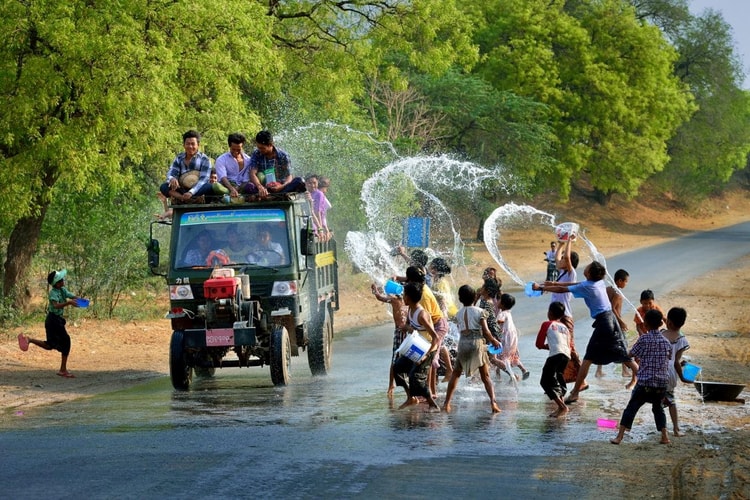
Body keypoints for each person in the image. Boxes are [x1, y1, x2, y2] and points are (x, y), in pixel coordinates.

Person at [535, 261, 638, 404]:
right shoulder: (598, 282)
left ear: (589, 273)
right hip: (610, 321)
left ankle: (576, 392)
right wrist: (551, 284)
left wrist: (541, 287)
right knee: (623, 355)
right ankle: (649, 381)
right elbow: (571, 285)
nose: (586, 267)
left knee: (588, 359)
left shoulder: (588, 286)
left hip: (604, 322)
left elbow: (564, 289)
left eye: (588, 267)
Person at [610, 309, 673, 445]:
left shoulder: (644, 339)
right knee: (658, 409)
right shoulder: (666, 342)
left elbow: (631, 354)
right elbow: (669, 358)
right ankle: (665, 436)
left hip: (645, 383)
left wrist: (620, 353)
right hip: (661, 384)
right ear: (661, 323)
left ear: (646, 324)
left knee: (631, 407)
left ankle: (619, 437)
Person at [442, 285, 502, 413]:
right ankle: (493, 403)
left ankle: (446, 404)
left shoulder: (458, 313)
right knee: (485, 376)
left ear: (460, 299)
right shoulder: (480, 312)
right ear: (475, 297)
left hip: (463, 343)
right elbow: (485, 331)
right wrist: (494, 340)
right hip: (476, 343)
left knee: (456, 374)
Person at [17, 270, 85, 378]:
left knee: (50, 345)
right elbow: (56, 305)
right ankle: (63, 370)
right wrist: (69, 303)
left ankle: (29, 339)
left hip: (55, 320)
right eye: (61, 279)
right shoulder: (53, 293)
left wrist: (81, 301)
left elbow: (72, 296)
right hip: (53, 320)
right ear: (57, 283)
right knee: (66, 341)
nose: (63, 280)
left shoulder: (62, 290)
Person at [391, 282, 440, 410]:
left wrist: (425, 356)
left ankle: (432, 404)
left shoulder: (422, 314)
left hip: (428, 350)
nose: (403, 297)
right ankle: (411, 398)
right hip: (416, 347)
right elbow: (409, 326)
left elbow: (436, 337)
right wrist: (406, 328)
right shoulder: (410, 311)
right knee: (397, 367)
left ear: (409, 298)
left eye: (404, 295)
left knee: (415, 376)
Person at [549, 238, 584, 389]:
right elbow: (557, 259)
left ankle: (582, 380)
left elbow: (568, 258)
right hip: (557, 315)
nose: (561, 260)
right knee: (557, 347)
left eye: (564, 259)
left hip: (565, 316)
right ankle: (558, 379)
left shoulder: (571, 274)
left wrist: (569, 240)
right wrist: (561, 244)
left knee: (570, 348)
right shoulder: (562, 273)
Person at [535, 301, 572, 418]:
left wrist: (549, 346)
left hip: (556, 354)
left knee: (545, 381)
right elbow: (568, 344)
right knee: (557, 380)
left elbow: (539, 344)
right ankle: (560, 407)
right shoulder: (565, 327)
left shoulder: (547, 324)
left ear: (550, 313)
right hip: (566, 355)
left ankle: (562, 407)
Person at [371, 282, 408, 397]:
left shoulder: (394, 300)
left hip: (400, 332)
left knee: (394, 359)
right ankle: (397, 383)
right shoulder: (404, 300)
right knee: (406, 358)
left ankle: (392, 384)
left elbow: (379, 297)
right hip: (407, 332)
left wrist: (375, 290)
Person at [597, 269, 633, 383]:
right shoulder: (618, 294)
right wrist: (621, 322)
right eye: (626, 281)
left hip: (605, 321)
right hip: (615, 322)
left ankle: (599, 370)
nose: (626, 284)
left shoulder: (607, 289)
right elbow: (613, 309)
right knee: (623, 345)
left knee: (602, 345)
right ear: (619, 281)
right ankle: (624, 370)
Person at [159, 130, 214, 203]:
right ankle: (182, 198)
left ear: (198, 145)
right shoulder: (179, 158)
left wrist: (191, 192)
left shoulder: (204, 159)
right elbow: (171, 173)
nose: (190, 146)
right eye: (188, 144)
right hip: (182, 189)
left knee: (209, 187)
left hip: (197, 190)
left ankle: (192, 198)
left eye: (193, 144)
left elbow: (204, 179)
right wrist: (172, 179)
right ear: (184, 145)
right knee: (164, 187)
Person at [247, 130, 305, 196]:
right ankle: (274, 196)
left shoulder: (283, 155)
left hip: (281, 188)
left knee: (299, 181)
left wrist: (281, 186)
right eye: (258, 147)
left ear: (271, 144)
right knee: (249, 186)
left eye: (262, 148)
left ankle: (275, 196)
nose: (260, 150)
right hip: (264, 188)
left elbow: (289, 175)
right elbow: (252, 173)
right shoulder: (256, 154)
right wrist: (260, 187)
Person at [661, 307, 690, 437]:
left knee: (655, 401)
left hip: (658, 370)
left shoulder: (661, 334)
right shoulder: (682, 340)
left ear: (669, 322)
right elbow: (676, 361)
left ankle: (663, 431)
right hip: (670, 374)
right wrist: (682, 377)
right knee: (671, 400)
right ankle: (676, 429)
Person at [496, 293, 530, 381]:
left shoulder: (502, 313)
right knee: (512, 354)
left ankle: (512, 375)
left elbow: (500, 321)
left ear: (502, 304)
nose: (497, 301)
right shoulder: (508, 313)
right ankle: (523, 369)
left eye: (499, 300)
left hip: (506, 337)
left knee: (504, 356)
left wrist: (493, 324)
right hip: (513, 336)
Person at [214, 133, 255, 199]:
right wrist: (231, 189)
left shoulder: (248, 160)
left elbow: (246, 179)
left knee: (250, 186)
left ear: (242, 147)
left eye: (238, 150)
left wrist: (238, 188)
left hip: (242, 187)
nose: (236, 152)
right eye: (233, 149)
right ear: (229, 146)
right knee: (215, 186)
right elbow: (223, 177)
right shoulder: (221, 159)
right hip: (226, 187)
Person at [315, 176, 333, 241]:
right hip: (317, 227)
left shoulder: (316, 194)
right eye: (326, 188)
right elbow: (320, 215)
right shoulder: (320, 195)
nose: (326, 190)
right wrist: (324, 229)